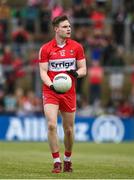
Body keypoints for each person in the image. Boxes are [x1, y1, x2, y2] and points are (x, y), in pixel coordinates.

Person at [38, 15, 87, 173]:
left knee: (69, 130)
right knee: (52, 125)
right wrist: (51, 85)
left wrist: (76, 73)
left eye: (69, 26)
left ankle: (67, 159)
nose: (69, 29)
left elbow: (83, 69)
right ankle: (56, 161)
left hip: (69, 92)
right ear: (56, 29)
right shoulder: (46, 49)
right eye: (65, 27)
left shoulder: (77, 47)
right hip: (51, 91)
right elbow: (43, 72)